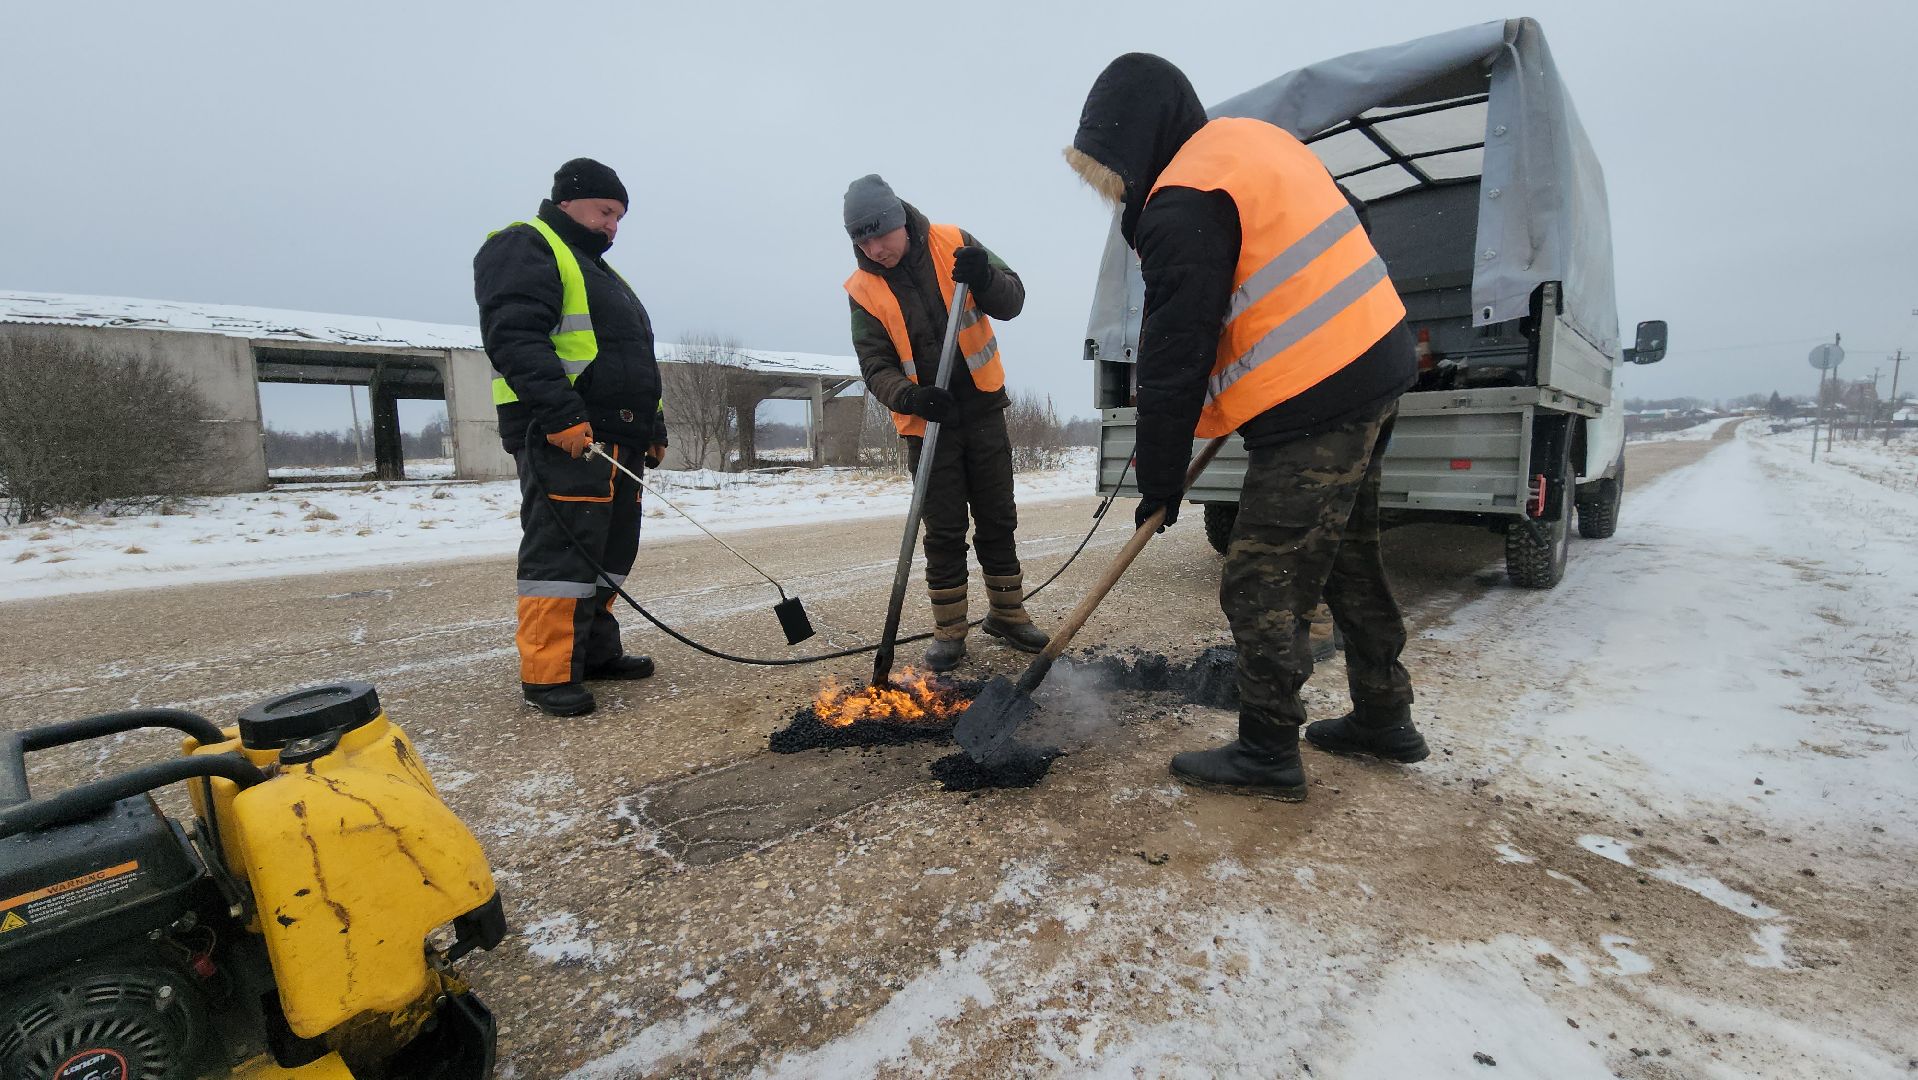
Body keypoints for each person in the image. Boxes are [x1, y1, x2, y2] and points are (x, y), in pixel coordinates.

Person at [1067, 54, 1428, 800]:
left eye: (1114, 168)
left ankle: (1267, 751)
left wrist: (1159, 481)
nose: (1119, 186)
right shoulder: (1253, 143)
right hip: (1377, 357)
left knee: (1262, 576)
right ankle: (1383, 716)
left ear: (1137, 139)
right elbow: (1347, 226)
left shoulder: (1182, 200)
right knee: (1349, 555)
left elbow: (1175, 356)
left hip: (1317, 393)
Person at [474, 158, 668, 717]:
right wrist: (560, 414)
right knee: (564, 554)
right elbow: (514, 337)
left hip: (617, 437)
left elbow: (634, 358)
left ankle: (594, 652)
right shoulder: (526, 246)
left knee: (611, 551)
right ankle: (548, 671)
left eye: (620, 217)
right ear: (568, 201)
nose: (613, 226)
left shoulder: (604, 274)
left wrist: (652, 426)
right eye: (606, 211)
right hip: (563, 434)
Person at [842, 174, 1049, 671]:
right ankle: (950, 629)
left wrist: (984, 278)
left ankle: (1008, 613)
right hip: (927, 423)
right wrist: (910, 396)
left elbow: (1013, 300)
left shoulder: (954, 241)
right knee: (944, 529)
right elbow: (875, 365)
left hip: (982, 409)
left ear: (899, 221)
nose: (875, 250)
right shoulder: (863, 289)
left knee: (997, 517)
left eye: (880, 236)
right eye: (862, 242)